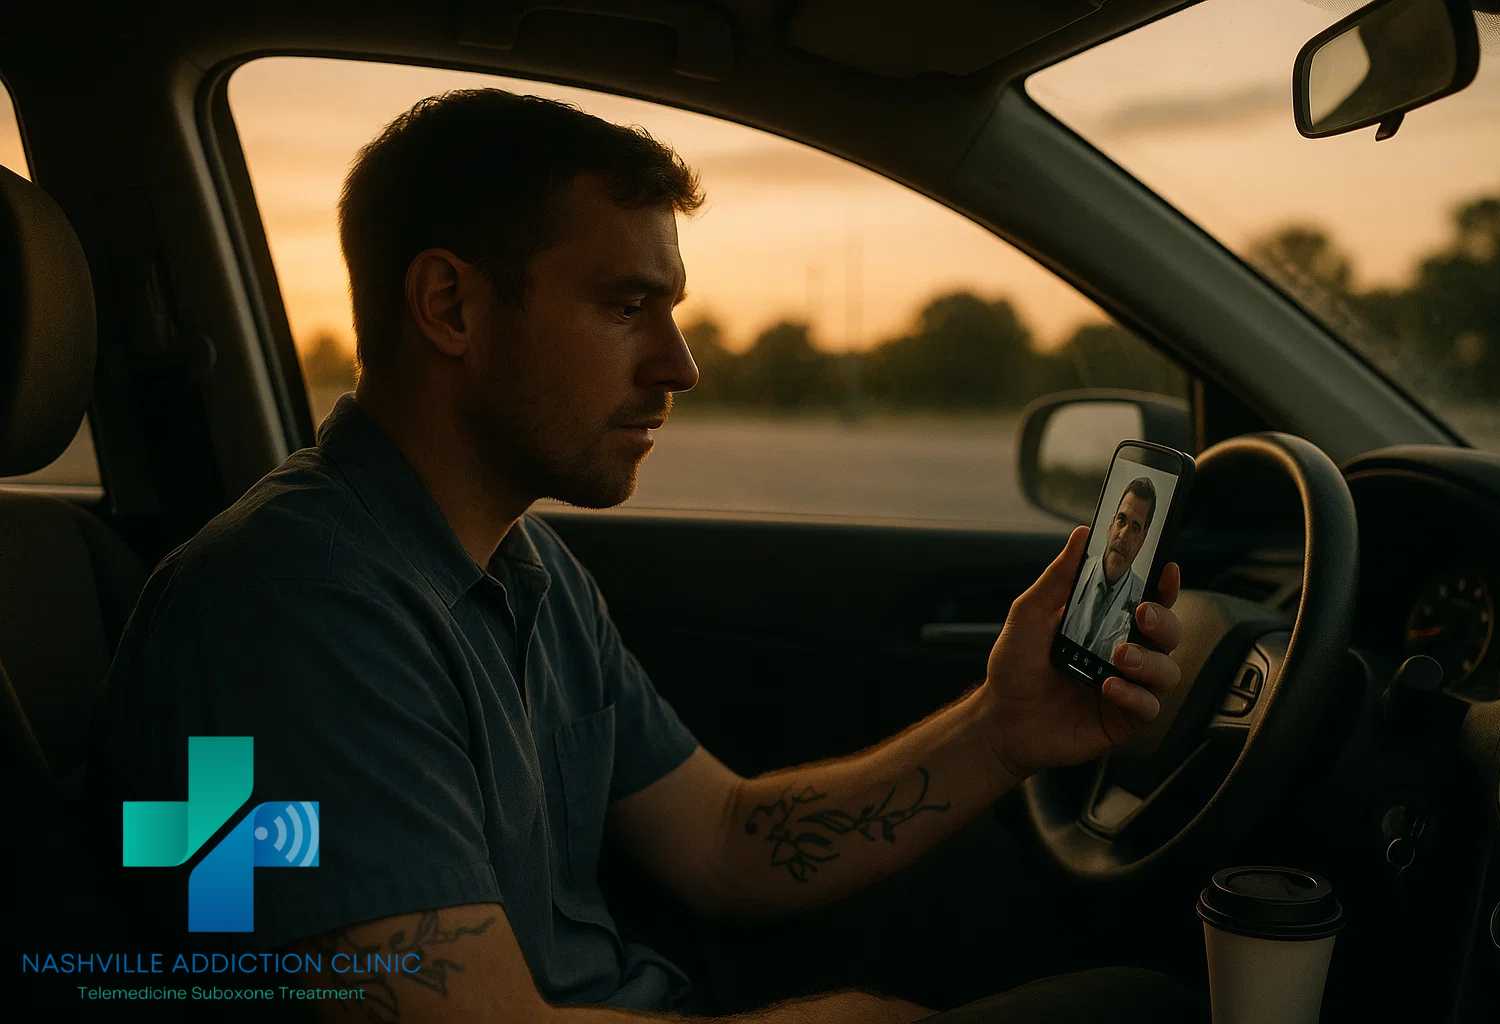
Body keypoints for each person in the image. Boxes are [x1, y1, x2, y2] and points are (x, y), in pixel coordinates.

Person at [90, 90, 1196, 1022]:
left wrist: (1002, 728)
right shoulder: (288, 610)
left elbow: (723, 840)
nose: (680, 365)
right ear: (450, 306)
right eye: (627, 305)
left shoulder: (523, 566)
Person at [1061, 478, 1158, 662]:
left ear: (1142, 540)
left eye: (1135, 528)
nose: (1123, 535)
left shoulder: (1144, 603)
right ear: (1111, 524)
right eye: (1121, 520)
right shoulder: (1074, 573)